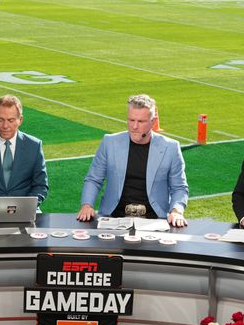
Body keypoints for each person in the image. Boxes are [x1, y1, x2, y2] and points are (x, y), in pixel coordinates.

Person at [77, 94, 189, 227]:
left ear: (153, 122)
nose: (134, 126)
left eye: (141, 122)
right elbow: (94, 179)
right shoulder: (110, 142)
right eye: (131, 120)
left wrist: (176, 211)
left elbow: (179, 187)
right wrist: (87, 205)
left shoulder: (171, 147)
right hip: (114, 216)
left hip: (154, 219)